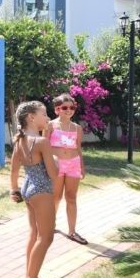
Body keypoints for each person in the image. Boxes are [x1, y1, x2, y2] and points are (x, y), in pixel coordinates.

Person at [10, 101, 60, 278]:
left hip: (28, 189)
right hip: (41, 191)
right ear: (31, 117)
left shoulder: (20, 140)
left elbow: (14, 170)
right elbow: (54, 174)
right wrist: (56, 160)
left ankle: (31, 276)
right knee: (46, 237)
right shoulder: (41, 142)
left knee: (35, 233)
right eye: (44, 114)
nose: (47, 118)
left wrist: (13, 190)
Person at [46, 93, 87, 245]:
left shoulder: (77, 128)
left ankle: (72, 231)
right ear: (57, 109)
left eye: (72, 107)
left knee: (71, 197)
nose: (69, 110)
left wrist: (82, 166)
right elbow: (44, 146)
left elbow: (79, 148)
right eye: (65, 107)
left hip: (73, 164)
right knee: (56, 197)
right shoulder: (50, 125)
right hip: (57, 165)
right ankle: (51, 225)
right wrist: (48, 163)